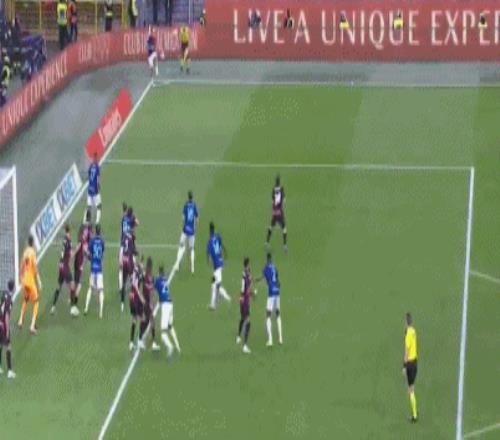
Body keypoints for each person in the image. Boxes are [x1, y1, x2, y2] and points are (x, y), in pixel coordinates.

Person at [51, 225, 78, 316]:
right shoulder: (68, 241)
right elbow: (71, 255)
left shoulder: (64, 240)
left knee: (59, 286)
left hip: (61, 265)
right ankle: (73, 308)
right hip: (65, 266)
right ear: (69, 232)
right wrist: (77, 250)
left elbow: (63, 252)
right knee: (72, 285)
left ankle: (53, 307)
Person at [154, 266, 181, 358]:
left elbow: (153, 289)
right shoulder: (165, 280)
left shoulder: (158, 280)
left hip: (165, 306)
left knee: (163, 333)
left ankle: (170, 347)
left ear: (159, 272)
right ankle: (178, 346)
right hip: (170, 304)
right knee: (170, 326)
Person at [256, 253, 282, 347]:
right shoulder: (275, 267)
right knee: (278, 313)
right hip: (277, 292)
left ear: (267, 259)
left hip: (271, 293)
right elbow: (278, 282)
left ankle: (270, 340)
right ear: (271, 259)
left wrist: (257, 280)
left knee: (268, 315)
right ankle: (280, 338)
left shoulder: (266, 268)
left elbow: (262, 278)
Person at [18, 236, 42, 334]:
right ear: (33, 243)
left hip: (24, 280)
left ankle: (20, 320)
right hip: (30, 281)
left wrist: (20, 276)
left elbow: (21, 264)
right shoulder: (33, 252)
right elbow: (35, 267)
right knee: (36, 301)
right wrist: (39, 280)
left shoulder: (25, 252)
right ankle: (32, 326)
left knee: (26, 299)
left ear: (28, 242)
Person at [173, 191, 199, 275]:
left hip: (185, 230)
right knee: (191, 248)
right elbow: (197, 218)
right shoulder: (194, 205)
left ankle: (177, 265)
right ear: (192, 197)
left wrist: (183, 226)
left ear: (188, 197)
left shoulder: (185, 205)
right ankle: (192, 268)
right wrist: (195, 227)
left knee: (181, 245)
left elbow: (183, 218)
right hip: (192, 231)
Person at [206, 222, 230, 310]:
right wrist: (225, 253)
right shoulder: (218, 236)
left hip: (217, 266)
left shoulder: (209, 241)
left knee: (215, 285)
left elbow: (208, 255)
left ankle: (221, 300)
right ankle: (219, 298)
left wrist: (208, 261)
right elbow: (222, 246)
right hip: (220, 262)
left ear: (209, 231)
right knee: (215, 283)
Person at [84, 224, 105, 319]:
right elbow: (102, 254)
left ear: (95, 231)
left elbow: (87, 252)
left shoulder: (91, 241)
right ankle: (100, 311)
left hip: (93, 268)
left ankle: (86, 308)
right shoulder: (102, 242)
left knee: (90, 288)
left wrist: (90, 258)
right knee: (101, 290)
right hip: (99, 268)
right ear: (100, 231)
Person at [73, 212, 92, 307]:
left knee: (76, 278)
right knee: (79, 281)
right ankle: (74, 302)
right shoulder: (89, 227)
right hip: (82, 255)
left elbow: (79, 238)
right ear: (90, 217)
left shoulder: (81, 226)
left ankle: (72, 296)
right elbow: (90, 239)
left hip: (78, 255)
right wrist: (88, 253)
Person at [236, 257, 255, 354]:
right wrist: (250, 294)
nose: (250, 266)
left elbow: (248, 288)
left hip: (244, 301)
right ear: (247, 265)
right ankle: (245, 346)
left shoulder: (247, 275)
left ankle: (238, 337)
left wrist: (251, 293)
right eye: (249, 264)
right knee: (248, 322)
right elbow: (244, 290)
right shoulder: (244, 276)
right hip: (244, 302)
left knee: (243, 319)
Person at [142, 257, 160, 351]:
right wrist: (151, 303)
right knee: (150, 321)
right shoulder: (149, 276)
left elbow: (147, 288)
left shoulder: (146, 275)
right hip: (147, 302)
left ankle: (145, 340)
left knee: (148, 320)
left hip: (145, 301)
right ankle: (149, 342)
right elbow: (150, 290)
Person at [266, 175, 287, 253]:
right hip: (279, 211)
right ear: (280, 181)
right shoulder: (281, 189)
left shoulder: (273, 189)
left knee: (271, 226)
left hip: (274, 210)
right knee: (284, 228)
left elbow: (272, 201)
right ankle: (284, 245)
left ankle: (267, 242)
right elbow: (284, 200)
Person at [403, 313, 418, 423]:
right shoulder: (413, 331)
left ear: (406, 322)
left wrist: (404, 366)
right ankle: (415, 410)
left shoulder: (408, 334)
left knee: (410, 390)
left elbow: (406, 351)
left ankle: (414, 415)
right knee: (412, 388)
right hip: (415, 362)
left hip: (410, 364)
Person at [129, 257, 145, 351]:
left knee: (134, 320)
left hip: (132, 298)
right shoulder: (136, 273)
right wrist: (141, 297)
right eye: (142, 265)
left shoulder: (136, 272)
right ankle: (139, 340)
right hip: (135, 299)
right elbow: (135, 286)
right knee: (142, 319)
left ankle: (131, 342)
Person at [0, 280, 15, 378]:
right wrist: (7, 331)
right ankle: (9, 371)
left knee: (0, 345)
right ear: (13, 288)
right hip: (4, 326)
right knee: (8, 346)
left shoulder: (3, 294)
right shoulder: (9, 300)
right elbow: (6, 316)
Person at [120, 229, 136, 313]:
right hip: (129, 262)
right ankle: (133, 299)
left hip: (124, 260)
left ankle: (122, 304)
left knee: (124, 282)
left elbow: (121, 250)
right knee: (133, 279)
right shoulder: (131, 239)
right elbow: (133, 252)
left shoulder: (124, 237)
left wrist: (120, 260)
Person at [86, 153, 101, 225]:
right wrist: (98, 185)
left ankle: (87, 221)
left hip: (89, 188)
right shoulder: (97, 167)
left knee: (89, 206)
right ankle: (97, 222)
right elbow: (98, 178)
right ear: (96, 158)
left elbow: (89, 175)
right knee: (99, 206)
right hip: (95, 189)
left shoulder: (91, 166)